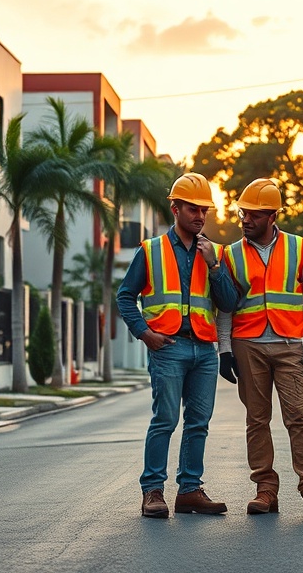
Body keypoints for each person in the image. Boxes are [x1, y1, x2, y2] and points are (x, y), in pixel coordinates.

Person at [117, 172, 238, 519]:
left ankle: (189, 491)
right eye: (193, 209)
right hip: (167, 348)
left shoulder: (212, 252)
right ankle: (153, 492)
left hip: (203, 351)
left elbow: (228, 302)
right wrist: (144, 333)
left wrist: (214, 266)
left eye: (205, 210)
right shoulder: (151, 250)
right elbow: (125, 297)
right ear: (175, 208)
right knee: (166, 420)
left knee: (199, 422)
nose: (200, 216)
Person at [217, 178, 303, 518]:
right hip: (247, 345)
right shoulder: (231, 253)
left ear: (271, 217)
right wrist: (224, 349)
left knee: (299, 416)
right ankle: (265, 490)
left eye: (253, 215)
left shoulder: (299, 248)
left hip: (289, 344)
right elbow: (225, 306)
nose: (245, 220)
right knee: (257, 420)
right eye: (243, 213)